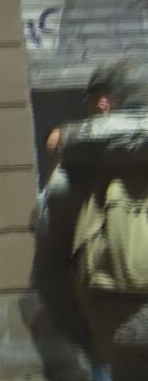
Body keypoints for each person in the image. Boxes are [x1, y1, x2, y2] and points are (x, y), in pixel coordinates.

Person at [44, 59, 148, 379]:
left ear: (107, 103)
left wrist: (88, 337)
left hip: (116, 323)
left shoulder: (74, 171)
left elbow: (51, 268)